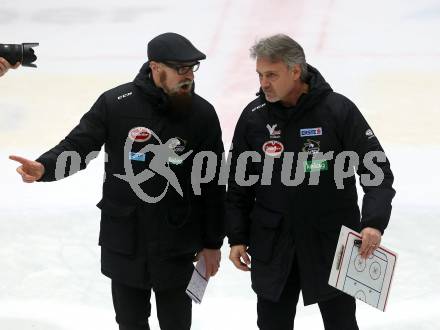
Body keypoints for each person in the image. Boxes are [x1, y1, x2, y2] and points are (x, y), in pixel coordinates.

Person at [10, 32, 225, 330]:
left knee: (177, 324)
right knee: (129, 323)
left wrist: (213, 243)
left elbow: (213, 184)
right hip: (126, 239)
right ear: (156, 67)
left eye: (192, 69)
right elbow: (79, 146)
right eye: (181, 69)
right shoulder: (116, 103)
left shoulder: (202, 114)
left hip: (177, 241)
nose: (188, 76)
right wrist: (45, 168)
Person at [226, 34, 395, 330]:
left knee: (341, 323)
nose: (263, 83)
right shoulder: (254, 118)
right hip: (273, 244)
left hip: (330, 241)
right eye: (260, 75)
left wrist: (373, 221)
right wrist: (237, 237)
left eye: (271, 75)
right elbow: (239, 185)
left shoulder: (338, 110)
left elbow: (376, 168)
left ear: (295, 71)